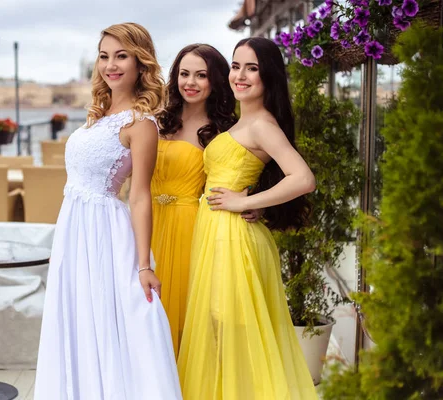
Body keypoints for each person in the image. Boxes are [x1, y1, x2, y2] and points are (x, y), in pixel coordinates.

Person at [34, 22, 181, 400]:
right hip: (74, 231)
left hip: (104, 234)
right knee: (78, 322)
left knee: (115, 321)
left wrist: (143, 266)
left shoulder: (141, 124)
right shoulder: (98, 113)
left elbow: (139, 195)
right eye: (104, 56)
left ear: (140, 63)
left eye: (121, 56)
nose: (110, 65)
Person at [177, 37, 318, 399]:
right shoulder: (246, 121)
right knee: (221, 335)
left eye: (251, 68)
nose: (240, 75)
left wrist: (246, 202)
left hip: (232, 238)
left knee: (232, 333)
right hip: (217, 233)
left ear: (268, 76)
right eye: (236, 66)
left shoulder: (262, 125)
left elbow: (303, 179)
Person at [152, 43, 260, 357]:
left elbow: (249, 170)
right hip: (145, 223)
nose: (191, 82)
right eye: (184, 74)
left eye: (201, 75)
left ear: (215, 80)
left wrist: (253, 200)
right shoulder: (157, 120)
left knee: (186, 315)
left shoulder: (223, 130)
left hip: (190, 227)